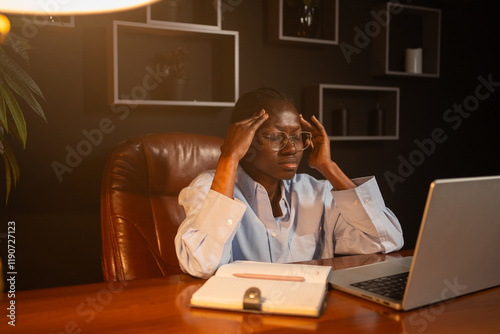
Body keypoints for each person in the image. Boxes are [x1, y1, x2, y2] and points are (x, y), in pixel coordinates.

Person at [175, 88, 404, 279]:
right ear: (244, 139)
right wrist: (229, 157)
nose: (292, 148)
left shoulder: (315, 192)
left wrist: (328, 167)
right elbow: (202, 264)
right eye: (275, 137)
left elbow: (386, 240)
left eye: (296, 136)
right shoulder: (207, 190)